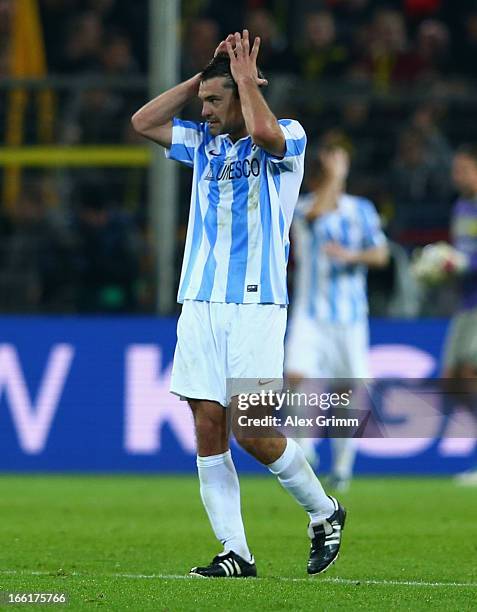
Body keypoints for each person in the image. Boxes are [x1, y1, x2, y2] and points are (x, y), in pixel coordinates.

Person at [132, 30, 346, 578]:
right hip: (200, 300)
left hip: (255, 302)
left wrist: (244, 82)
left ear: (246, 93)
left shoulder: (287, 138)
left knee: (252, 429)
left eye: (212, 102)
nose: (203, 112)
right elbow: (143, 122)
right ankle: (236, 553)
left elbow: (263, 131)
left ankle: (325, 512)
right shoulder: (203, 144)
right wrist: (203, 78)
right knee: (207, 423)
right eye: (202, 102)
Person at [285, 145, 389, 491]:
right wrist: (336, 176)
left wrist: (352, 255)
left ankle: (343, 467)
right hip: (310, 313)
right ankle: (304, 447)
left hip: (352, 317)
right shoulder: (303, 207)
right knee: (297, 377)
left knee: (349, 392)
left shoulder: (362, 209)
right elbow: (318, 216)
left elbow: (380, 255)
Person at [442, 145, 477, 486]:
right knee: (450, 379)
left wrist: (465, 263)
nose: (457, 176)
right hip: (465, 302)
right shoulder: (461, 207)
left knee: (468, 371)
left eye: (464, 170)